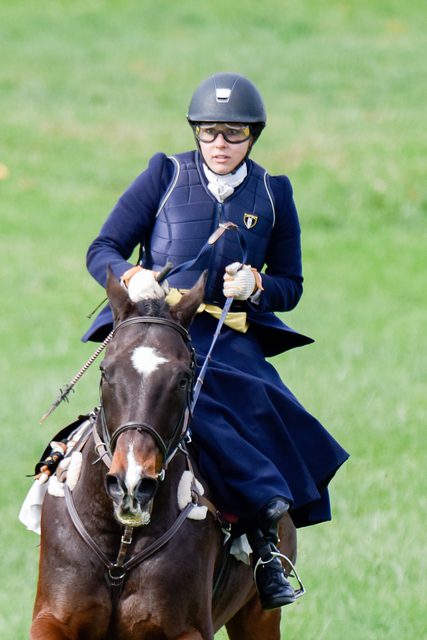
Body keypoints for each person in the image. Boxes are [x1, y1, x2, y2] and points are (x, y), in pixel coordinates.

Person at [83, 72, 349, 609]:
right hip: (156, 327)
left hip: (225, 332)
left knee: (239, 400)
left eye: (232, 134)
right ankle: (57, 497)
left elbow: (290, 285)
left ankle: (265, 545)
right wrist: (131, 276)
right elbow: (103, 247)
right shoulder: (164, 173)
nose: (219, 145)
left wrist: (257, 286)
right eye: (208, 133)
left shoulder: (274, 193)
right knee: (142, 398)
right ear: (196, 134)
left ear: (253, 136)